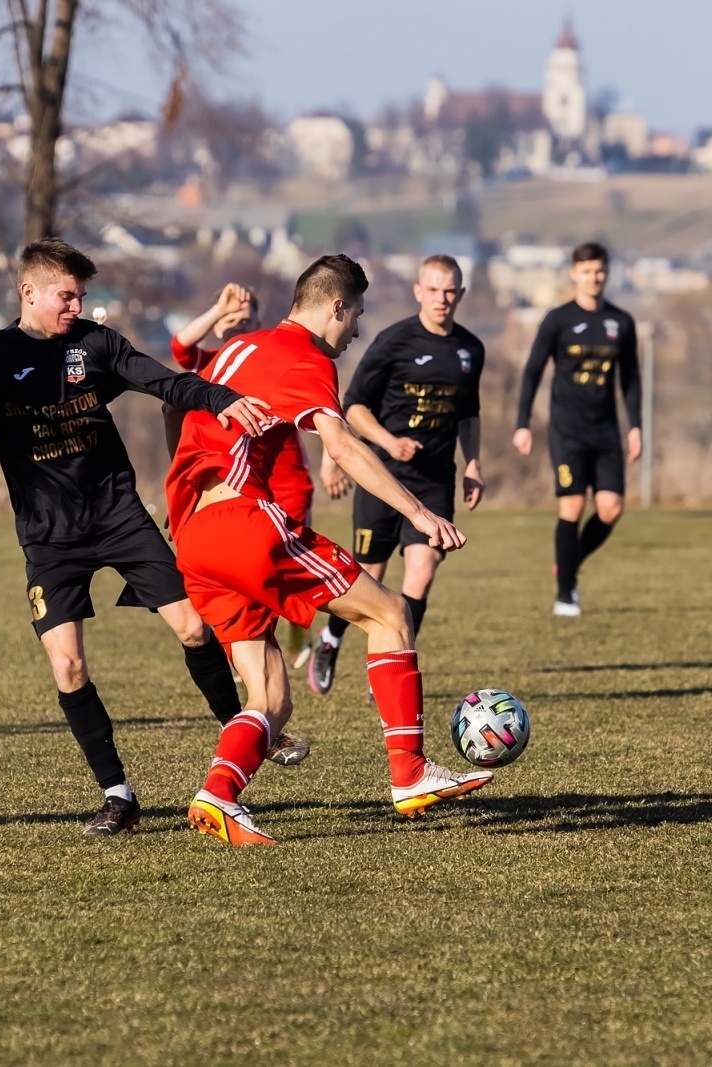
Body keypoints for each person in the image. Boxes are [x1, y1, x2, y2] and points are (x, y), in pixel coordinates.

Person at [0, 238, 288, 837]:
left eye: (81, 296)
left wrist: (224, 399)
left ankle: (244, 733)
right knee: (68, 666)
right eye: (65, 296)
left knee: (192, 627)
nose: (76, 306)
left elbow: (167, 383)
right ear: (28, 292)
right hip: (49, 536)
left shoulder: (95, 345)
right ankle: (118, 796)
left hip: (119, 517)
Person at [167, 253, 493, 847]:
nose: (357, 332)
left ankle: (218, 794)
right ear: (335, 306)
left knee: (271, 697)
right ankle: (410, 774)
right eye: (357, 316)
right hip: (246, 523)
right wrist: (419, 512)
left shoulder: (239, 349)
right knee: (390, 614)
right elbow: (340, 446)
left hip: (192, 534)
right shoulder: (305, 354)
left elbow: (176, 402)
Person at [308, 254, 486, 697]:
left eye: (450, 291)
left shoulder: (470, 350)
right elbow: (354, 407)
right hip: (382, 475)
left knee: (422, 569)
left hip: (435, 478)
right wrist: (389, 444)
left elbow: (470, 414)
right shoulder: (393, 341)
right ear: (418, 291)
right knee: (369, 571)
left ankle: (393, 664)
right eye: (433, 289)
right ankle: (331, 639)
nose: (442, 298)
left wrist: (474, 463)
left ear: (460, 294)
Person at [167, 283, 318, 672]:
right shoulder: (216, 364)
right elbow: (180, 349)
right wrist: (219, 309)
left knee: (284, 575)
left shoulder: (275, 360)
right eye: (232, 321)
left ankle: (297, 639)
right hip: (240, 491)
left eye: (247, 320)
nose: (240, 326)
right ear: (220, 327)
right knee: (248, 582)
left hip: (287, 485)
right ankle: (254, 661)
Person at [513, 241, 642, 617]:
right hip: (567, 430)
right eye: (586, 271)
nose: (594, 277)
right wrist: (522, 423)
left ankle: (568, 563)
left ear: (607, 273)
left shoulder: (622, 322)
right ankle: (566, 592)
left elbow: (631, 379)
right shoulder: (557, 320)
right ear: (574, 274)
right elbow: (533, 371)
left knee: (611, 508)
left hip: (606, 431)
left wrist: (635, 427)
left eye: (599, 270)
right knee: (572, 504)